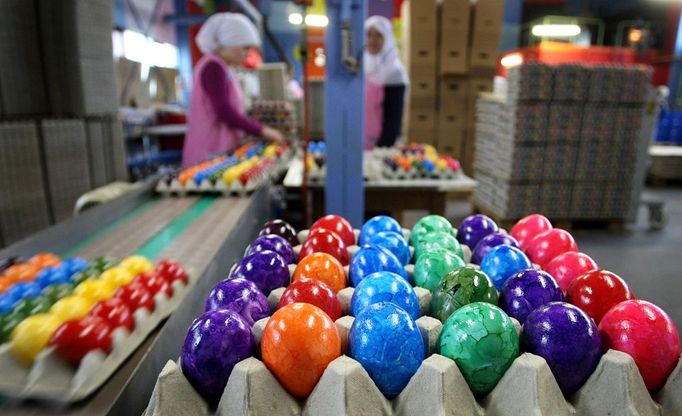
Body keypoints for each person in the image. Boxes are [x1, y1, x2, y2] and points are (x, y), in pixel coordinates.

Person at [183, 12, 284, 167]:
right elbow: (223, 111)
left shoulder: (223, 67)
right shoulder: (213, 67)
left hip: (217, 150)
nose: (247, 54)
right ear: (229, 44)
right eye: (245, 48)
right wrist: (263, 130)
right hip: (209, 151)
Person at [364, 15, 409, 149]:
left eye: (379, 35)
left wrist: (382, 148)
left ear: (387, 39)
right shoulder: (361, 68)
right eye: (369, 35)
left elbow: (393, 120)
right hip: (359, 141)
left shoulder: (395, 73)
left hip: (381, 145)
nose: (373, 40)